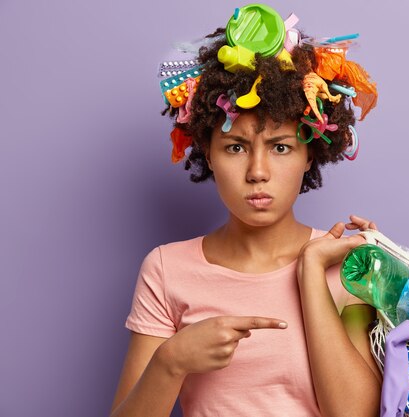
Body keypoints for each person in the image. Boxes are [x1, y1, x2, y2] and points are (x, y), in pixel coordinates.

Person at [110, 4, 381, 417]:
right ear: (209, 153)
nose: (257, 172)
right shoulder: (166, 269)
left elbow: (355, 414)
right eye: (235, 147)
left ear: (310, 154)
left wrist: (311, 271)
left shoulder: (347, 265)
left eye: (281, 147)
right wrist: (172, 361)